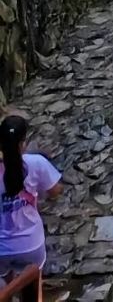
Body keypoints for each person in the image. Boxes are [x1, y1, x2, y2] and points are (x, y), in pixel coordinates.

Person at [0, 112, 61, 294]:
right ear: (22, 144)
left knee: (5, 282)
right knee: (34, 288)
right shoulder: (36, 163)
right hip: (30, 244)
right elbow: (55, 191)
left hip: (1, 247)